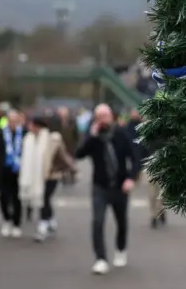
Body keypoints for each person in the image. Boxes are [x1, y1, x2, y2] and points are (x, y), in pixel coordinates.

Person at [76, 103, 140, 275]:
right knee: (97, 221)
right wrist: (91, 136)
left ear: (112, 117)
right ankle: (100, 259)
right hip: (100, 186)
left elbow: (134, 158)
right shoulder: (93, 137)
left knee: (121, 221)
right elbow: (79, 154)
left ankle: (121, 248)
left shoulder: (120, 134)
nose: (104, 119)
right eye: (100, 116)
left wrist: (130, 178)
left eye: (107, 115)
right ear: (96, 119)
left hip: (120, 185)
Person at [19, 116, 76, 242]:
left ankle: (43, 226)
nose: (29, 127)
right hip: (36, 175)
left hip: (51, 175)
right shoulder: (28, 140)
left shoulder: (53, 139)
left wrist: (72, 168)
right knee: (45, 199)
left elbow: (63, 155)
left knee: (44, 198)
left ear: (37, 126)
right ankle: (50, 221)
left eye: (31, 125)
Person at [0, 110, 25, 238]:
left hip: (19, 171)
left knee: (17, 198)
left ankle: (16, 223)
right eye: (10, 121)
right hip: (2, 171)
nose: (12, 123)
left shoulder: (24, 134)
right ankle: (7, 220)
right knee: (3, 197)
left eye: (15, 121)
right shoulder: (0, 135)